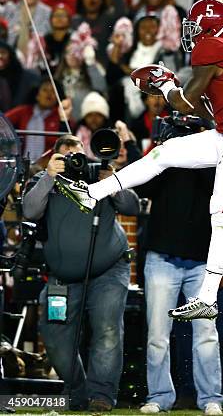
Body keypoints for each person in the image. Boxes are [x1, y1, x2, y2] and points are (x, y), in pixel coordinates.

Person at [55, 0, 223, 321]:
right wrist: (172, 88)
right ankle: (92, 195)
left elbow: (183, 104)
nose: (191, 33)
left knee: (222, 215)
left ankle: (208, 298)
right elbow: (205, 110)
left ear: (210, 27)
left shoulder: (212, 48)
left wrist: (167, 86)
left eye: (196, 26)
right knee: (163, 153)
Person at [23, 135, 139, 412]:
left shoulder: (99, 176)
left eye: (78, 152)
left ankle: (101, 396)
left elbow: (132, 207)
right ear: (55, 157)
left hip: (109, 270)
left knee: (108, 330)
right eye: (66, 154)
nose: (74, 158)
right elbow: (29, 210)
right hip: (62, 277)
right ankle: (76, 391)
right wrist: (49, 177)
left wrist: (113, 183)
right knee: (54, 336)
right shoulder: (44, 179)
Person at [136, 164, 223, 416]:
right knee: (157, 334)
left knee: (206, 333)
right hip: (162, 258)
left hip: (203, 262)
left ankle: (211, 398)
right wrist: (161, 153)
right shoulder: (166, 159)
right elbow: (142, 186)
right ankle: (159, 396)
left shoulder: (222, 165)